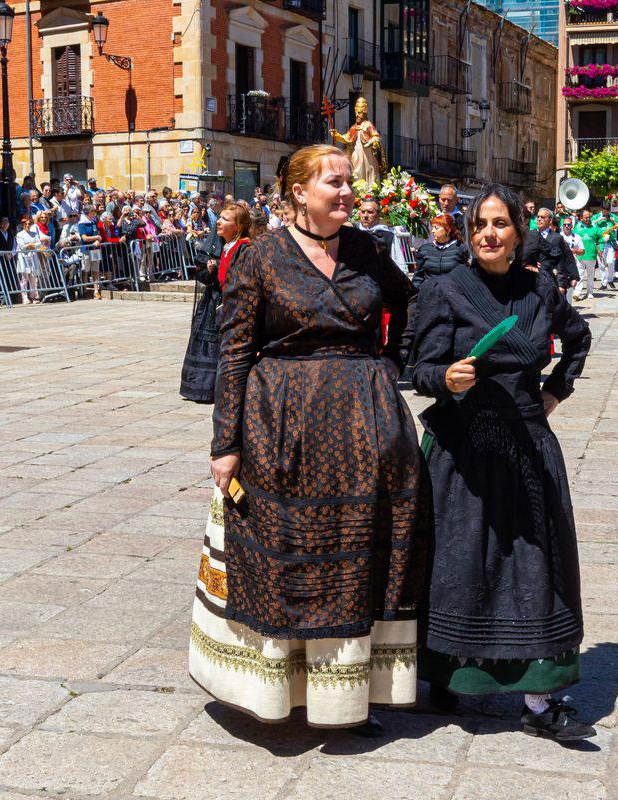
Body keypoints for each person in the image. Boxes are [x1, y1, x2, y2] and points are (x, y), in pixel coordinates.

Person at [188, 144, 428, 731]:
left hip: (364, 424)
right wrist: (225, 444)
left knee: (359, 554)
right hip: (282, 423)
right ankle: (279, 693)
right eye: (334, 182)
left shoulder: (367, 250)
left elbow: (413, 303)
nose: (347, 192)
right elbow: (235, 354)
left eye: (348, 182)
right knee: (287, 551)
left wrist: (391, 362)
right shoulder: (260, 257)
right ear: (298, 192)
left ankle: (347, 700)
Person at [412, 183, 594, 740]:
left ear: (518, 233)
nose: (488, 234)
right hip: (461, 449)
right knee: (457, 563)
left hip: (525, 444)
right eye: (479, 225)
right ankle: (447, 674)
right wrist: (445, 378)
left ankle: (538, 699)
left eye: (499, 224)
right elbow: (419, 369)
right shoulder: (445, 289)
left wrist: (555, 392)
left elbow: (578, 339)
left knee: (531, 566)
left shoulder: (540, 289)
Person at [179, 203, 252, 403]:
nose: (218, 222)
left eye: (225, 219)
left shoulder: (244, 248)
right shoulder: (217, 243)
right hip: (212, 302)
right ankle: (201, 388)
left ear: (238, 226)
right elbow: (201, 270)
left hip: (230, 303)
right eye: (219, 218)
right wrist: (210, 270)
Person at [523, 208, 578, 295]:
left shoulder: (556, 238)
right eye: (538, 217)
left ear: (550, 220)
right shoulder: (531, 236)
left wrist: (561, 284)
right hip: (533, 279)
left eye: (542, 217)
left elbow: (561, 261)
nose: (539, 219)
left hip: (551, 279)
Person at [413, 213, 469, 289]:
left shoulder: (460, 249)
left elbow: (465, 275)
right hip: (428, 292)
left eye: (436, 228)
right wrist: (415, 292)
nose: (433, 231)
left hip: (452, 292)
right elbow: (418, 276)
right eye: (432, 228)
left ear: (448, 230)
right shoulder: (424, 249)